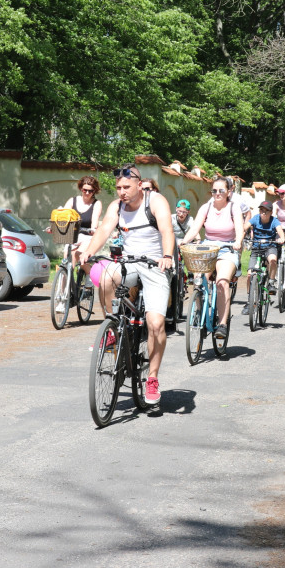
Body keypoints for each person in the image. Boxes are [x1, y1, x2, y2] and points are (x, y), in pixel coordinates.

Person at [79, 163, 174, 405]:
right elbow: (104, 230)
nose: (121, 192)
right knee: (105, 276)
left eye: (126, 187)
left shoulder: (155, 201)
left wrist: (167, 256)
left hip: (155, 264)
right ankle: (112, 324)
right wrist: (89, 251)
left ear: (139, 184)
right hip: (129, 263)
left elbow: (166, 230)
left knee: (155, 323)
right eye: (118, 187)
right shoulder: (116, 206)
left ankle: (152, 378)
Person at [178, 177, 245, 340]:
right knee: (198, 278)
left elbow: (240, 229)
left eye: (221, 190)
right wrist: (185, 241)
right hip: (208, 248)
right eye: (214, 190)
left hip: (228, 248)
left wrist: (237, 242)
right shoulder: (206, 207)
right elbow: (195, 228)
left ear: (229, 192)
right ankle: (199, 313)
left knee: (222, 282)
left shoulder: (233, 208)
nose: (217, 194)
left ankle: (222, 324)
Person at [241, 201, 285, 314]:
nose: (263, 213)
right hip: (257, 248)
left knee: (273, 260)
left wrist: (281, 238)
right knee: (250, 274)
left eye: (266, 211)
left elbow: (280, 231)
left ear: (271, 212)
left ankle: (271, 282)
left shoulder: (274, 221)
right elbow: (245, 227)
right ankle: (249, 301)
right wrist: (241, 236)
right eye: (261, 210)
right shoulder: (255, 219)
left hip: (270, 246)